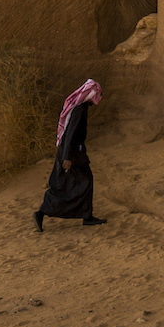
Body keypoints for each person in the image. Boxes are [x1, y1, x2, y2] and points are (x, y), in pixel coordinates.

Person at [33, 78, 106, 232]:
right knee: (82, 181)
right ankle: (44, 212)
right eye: (97, 94)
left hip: (71, 151)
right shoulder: (80, 110)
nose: (98, 98)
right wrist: (67, 157)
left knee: (75, 182)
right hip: (72, 153)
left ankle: (85, 216)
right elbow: (71, 134)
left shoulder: (80, 107)